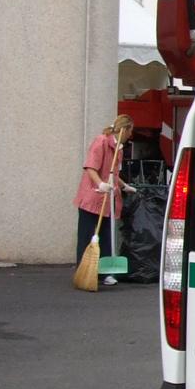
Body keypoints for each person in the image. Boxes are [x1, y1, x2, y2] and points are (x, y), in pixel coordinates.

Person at [73, 115, 138, 285]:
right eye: (130, 131)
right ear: (124, 130)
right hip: (92, 196)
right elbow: (90, 167)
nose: (130, 135)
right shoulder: (101, 142)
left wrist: (124, 186)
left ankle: (104, 272)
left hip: (107, 200)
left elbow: (114, 172)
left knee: (106, 235)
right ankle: (85, 271)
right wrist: (101, 184)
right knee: (87, 236)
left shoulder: (119, 148)